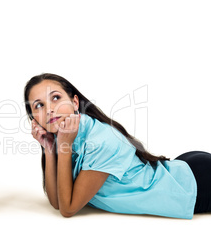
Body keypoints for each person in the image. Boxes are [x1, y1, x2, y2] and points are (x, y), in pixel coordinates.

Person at [24, 73, 211, 219]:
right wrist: (49, 149)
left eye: (55, 98)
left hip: (195, 183)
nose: (49, 109)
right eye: (38, 105)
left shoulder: (100, 140)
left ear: (74, 102)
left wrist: (63, 148)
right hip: (178, 169)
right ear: (34, 118)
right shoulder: (65, 135)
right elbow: (57, 201)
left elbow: (68, 209)